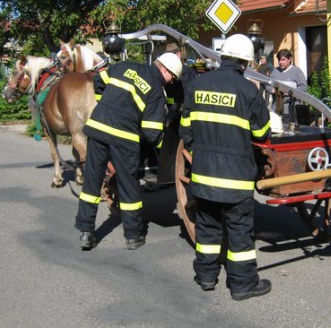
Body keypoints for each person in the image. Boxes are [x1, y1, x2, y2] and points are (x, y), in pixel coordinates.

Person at [179, 34, 272, 301]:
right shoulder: (248, 90)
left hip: (205, 174)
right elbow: (262, 132)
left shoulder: (197, 85)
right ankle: (242, 284)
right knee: (239, 232)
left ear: (222, 56)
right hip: (236, 178)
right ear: (245, 62)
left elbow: (186, 131)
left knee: (207, 226)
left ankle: (206, 277)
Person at [74, 52, 183, 250]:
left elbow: (98, 79)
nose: (171, 82)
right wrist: (167, 149)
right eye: (172, 77)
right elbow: (151, 132)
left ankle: (86, 232)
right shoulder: (156, 91)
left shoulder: (125, 66)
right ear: (164, 69)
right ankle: (133, 236)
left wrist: (105, 103)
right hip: (124, 139)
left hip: (98, 130)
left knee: (91, 181)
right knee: (128, 185)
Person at [164, 42, 197, 115]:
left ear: (179, 54)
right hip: (170, 110)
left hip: (185, 110)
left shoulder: (189, 72)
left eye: (170, 55)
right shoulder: (165, 72)